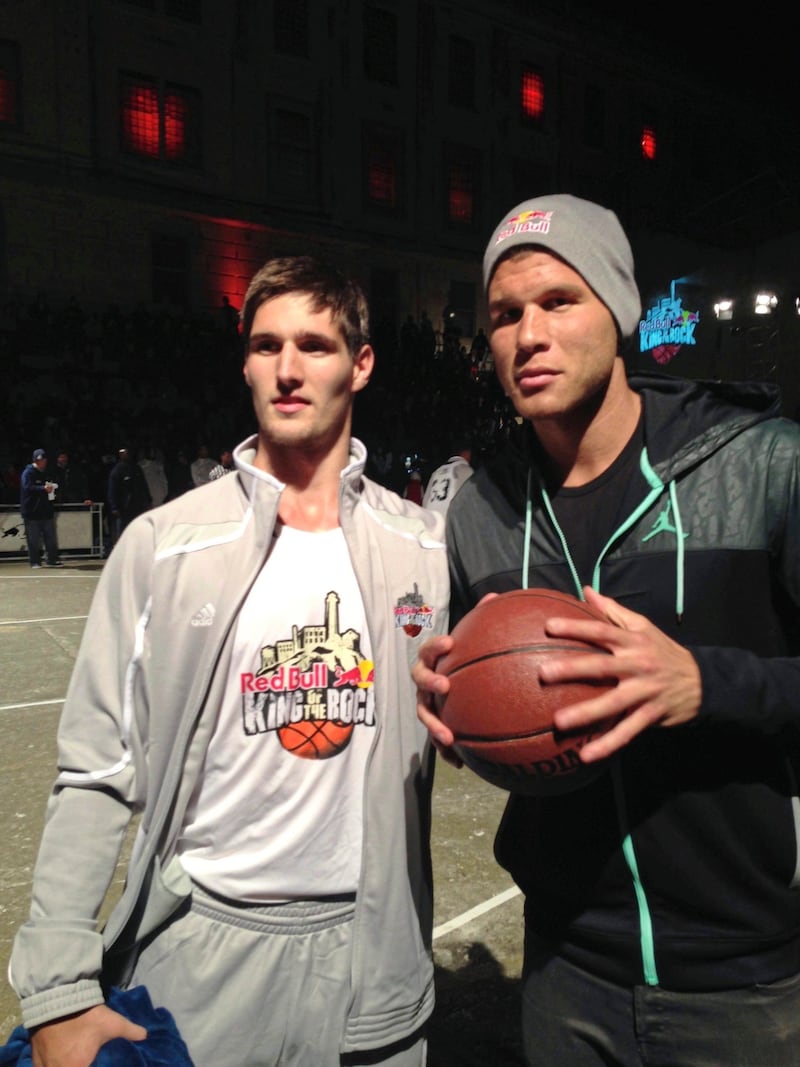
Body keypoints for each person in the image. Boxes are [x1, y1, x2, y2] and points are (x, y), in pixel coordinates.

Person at [9, 254, 450, 1067]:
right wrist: (61, 988)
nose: (287, 369)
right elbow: (96, 770)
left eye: (314, 346)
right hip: (204, 948)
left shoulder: (422, 544)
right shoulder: (163, 544)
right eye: (265, 344)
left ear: (361, 364)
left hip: (373, 950)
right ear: (244, 360)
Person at [412, 193, 800, 1067]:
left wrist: (711, 684)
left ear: (621, 312)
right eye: (505, 315)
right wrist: (454, 712)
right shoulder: (481, 512)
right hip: (566, 967)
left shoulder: (764, 465)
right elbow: (501, 709)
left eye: (559, 301)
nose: (528, 335)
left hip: (745, 980)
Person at [19, 448, 63, 568]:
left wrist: (53, 490)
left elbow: (52, 485)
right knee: (33, 540)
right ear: (35, 460)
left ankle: (52, 559)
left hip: (46, 511)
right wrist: (42, 488)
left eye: (43, 459)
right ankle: (35, 561)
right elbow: (27, 488)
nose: (42, 461)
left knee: (50, 538)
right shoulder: (28, 473)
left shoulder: (47, 472)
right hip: (32, 513)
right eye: (40, 460)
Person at [106, 446, 152, 546]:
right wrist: (114, 507)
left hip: (137, 505)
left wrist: (148, 499)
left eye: (126, 453)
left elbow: (143, 485)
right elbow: (112, 490)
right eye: (122, 453)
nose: (125, 455)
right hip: (124, 507)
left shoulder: (136, 468)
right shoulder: (117, 470)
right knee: (122, 530)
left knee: (138, 528)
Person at [421, 436, 474, 516]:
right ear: (467, 453)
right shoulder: (466, 471)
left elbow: (425, 501)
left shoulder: (437, 472)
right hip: (451, 523)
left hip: (432, 521)